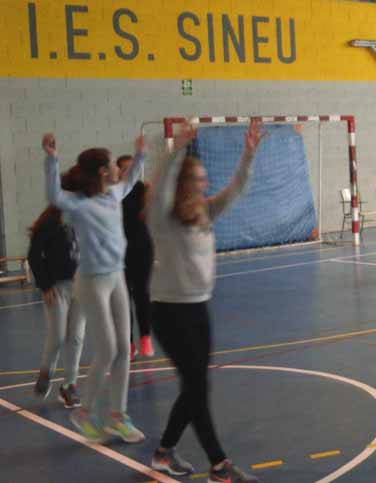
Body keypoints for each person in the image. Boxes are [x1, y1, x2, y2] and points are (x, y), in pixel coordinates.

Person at [147, 121, 262, 482]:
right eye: (197, 179)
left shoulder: (204, 212)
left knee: (196, 386)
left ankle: (164, 452)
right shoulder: (162, 218)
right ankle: (219, 466)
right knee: (196, 387)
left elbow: (236, 188)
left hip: (199, 308)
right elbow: (160, 190)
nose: (205, 183)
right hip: (169, 311)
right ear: (183, 183)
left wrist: (248, 155)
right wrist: (177, 149)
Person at [42, 133, 147, 443]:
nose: (118, 169)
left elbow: (131, 180)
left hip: (117, 277)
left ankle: (118, 416)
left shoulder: (114, 194)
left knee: (123, 350)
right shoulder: (77, 204)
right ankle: (84, 412)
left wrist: (140, 155)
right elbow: (53, 194)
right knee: (108, 348)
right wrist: (51, 159)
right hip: (91, 282)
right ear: (102, 171)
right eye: (113, 164)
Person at [29, 170, 85, 408]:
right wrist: (45, 285)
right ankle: (46, 371)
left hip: (82, 286)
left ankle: (69, 385)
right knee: (58, 335)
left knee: (77, 337)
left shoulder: (85, 218)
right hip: (57, 287)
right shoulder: (50, 222)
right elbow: (34, 255)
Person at [117, 155, 155, 358]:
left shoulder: (142, 189)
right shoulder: (113, 192)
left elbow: (150, 214)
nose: (128, 171)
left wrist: (150, 195)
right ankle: (128, 343)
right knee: (123, 299)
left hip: (142, 248)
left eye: (130, 168)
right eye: (124, 168)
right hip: (120, 251)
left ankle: (145, 338)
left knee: (142, 295)